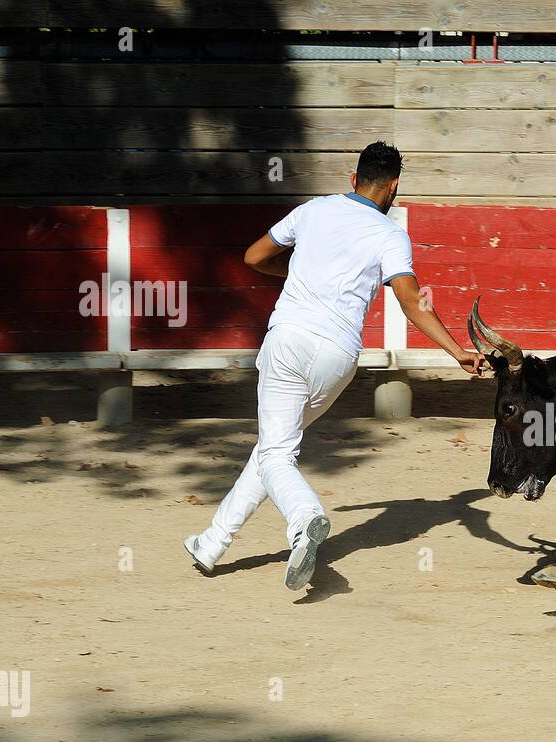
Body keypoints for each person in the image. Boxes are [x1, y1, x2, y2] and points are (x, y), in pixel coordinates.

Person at [184, 142, 483, 590]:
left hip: (289, 340)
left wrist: (302, 271)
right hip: (338, 357)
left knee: (276, 452)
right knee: (273, 448)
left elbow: (253, 257)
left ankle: (305, 520)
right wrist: (456, 351)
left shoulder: (313, 210)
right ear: (394, 186)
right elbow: (411, 303)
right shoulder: (391, 236)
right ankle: (212, 542)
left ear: (352, 178)